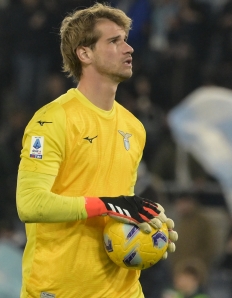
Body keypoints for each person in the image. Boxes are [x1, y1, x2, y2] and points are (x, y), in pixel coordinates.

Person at [15, 3, 178, 298]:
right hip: (61, 289)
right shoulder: (52, 120)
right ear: (85, 53)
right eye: (114, 41)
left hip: (122, 290)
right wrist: (105, 204)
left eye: (126, 40)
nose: (129, 48)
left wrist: (147, 233)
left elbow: (120, 207)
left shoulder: (134, 127)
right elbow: (30, 204)